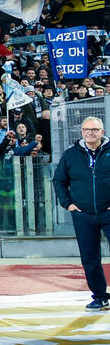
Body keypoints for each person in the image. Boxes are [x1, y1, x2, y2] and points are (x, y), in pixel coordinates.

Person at [53, 116, 110, 309]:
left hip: (108, 212)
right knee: (89, 257)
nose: (90, 133)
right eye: (86, 130)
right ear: (81, 132)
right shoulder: (71, 154)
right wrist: (67, 204)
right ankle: (100, 296)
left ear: (102, 132)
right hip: (83, 215)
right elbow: (59, 181)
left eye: (94, 130)